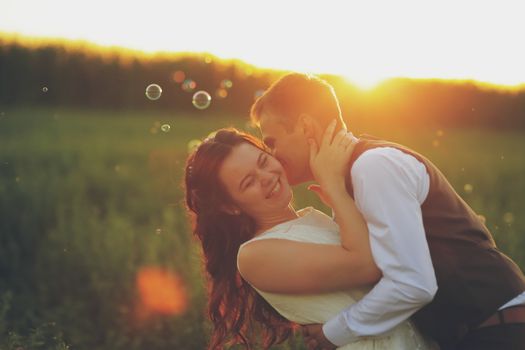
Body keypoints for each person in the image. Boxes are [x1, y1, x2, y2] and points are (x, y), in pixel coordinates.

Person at [249, 72, 525, 350]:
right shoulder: (348, 181)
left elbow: (414, 284)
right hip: (480, 331)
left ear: (306, 127)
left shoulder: (373, 168)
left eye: (272, 142)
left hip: (501, 329)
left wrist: (331, 333)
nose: (272, 156)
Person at [184, 127, 433, 349]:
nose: (267, 177)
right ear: (230, 207)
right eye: (249, 182)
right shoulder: (254, 255)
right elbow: (367, 265)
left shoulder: (309, 217)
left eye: (263, 161)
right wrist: (334, 184)